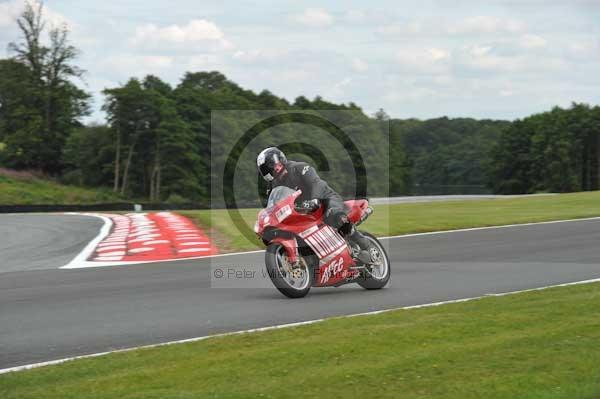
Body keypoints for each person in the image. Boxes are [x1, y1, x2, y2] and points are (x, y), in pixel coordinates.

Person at [256, 146, 374, 263]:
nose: (275, 168)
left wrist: (315, 199)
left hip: (325, 199)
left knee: (333, 214)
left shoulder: (299, 168)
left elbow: (316, 183)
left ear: (281, 159)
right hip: (302, 210)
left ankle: (366, 246)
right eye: (269, 168)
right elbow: (273, 206)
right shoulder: (274, 186)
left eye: (275, 163)